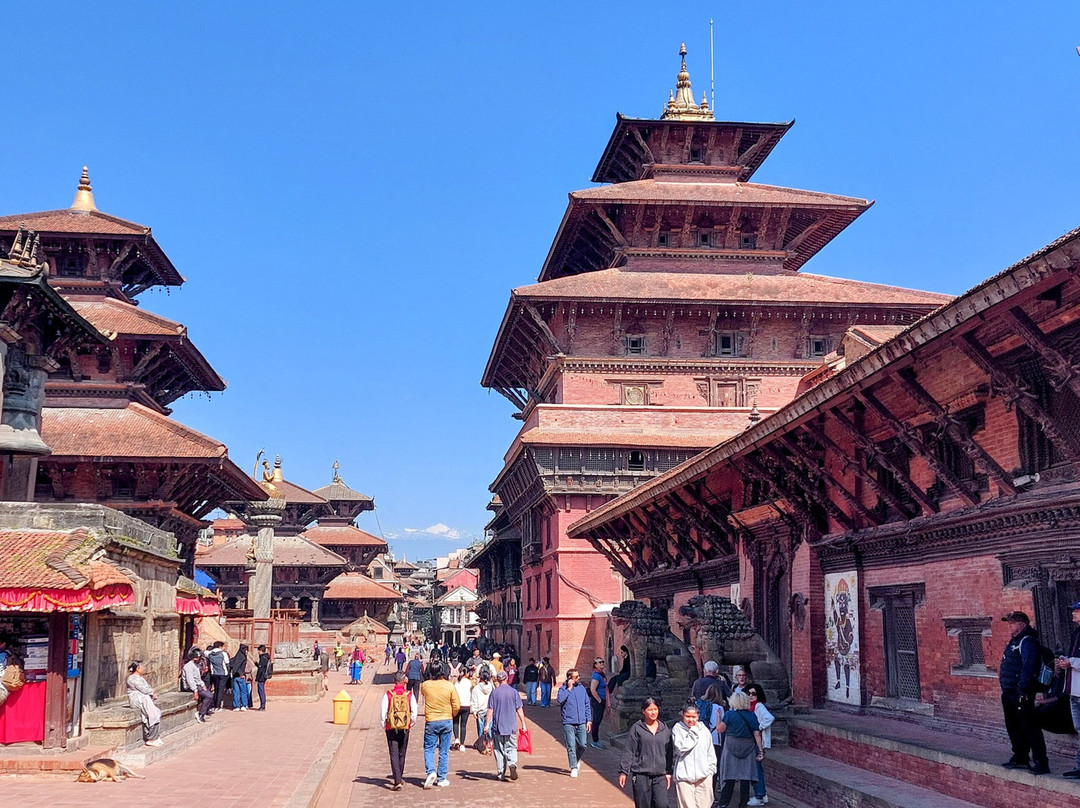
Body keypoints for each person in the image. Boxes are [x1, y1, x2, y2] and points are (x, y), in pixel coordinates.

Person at [1000, 610, 1050, 775]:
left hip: (1021, 692)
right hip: (1009, 691)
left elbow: (1028, 667)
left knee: (1029, 726)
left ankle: (1041, 762)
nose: (1010, 626)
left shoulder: (1027, 641)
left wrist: (1022, 688)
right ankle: (1020, 756)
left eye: (1012, 623)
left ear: (1022, 624)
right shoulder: (1014, 641)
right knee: (1013, 725)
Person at [620, 697, 673, 808]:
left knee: (662, 804)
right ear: (643, 711)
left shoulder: (664, 729)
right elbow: (629, 750)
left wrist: (668, 772)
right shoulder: (637, 728)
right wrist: (624, 771)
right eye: (650, 710)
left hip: (660, 775)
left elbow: (669, 752)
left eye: (655, 709)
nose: (653, 712)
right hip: (641, 774)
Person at [715, 692, 763, 808]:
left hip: (731, 745)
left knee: (729, 776)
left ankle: (724, 803)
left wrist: (718, 718)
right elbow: (757, 735)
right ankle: (743, 804)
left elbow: (719, 730)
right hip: (748, 746)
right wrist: (761, 751)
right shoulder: (752, 715)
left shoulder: (730, 715)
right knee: (745, 777)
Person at [420, 659, 459, 789]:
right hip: (446, 719)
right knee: (444, 750)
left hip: (431, 720)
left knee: (429, 748)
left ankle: (431, 771)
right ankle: (442, 778)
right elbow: (456, 705)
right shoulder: (449, 686)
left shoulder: (425, 685)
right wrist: (452, 715)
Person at [672, 701, 716, 808]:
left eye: (693, 716)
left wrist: (711, 771)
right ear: (683, 715)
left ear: (698, 716)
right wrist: (693, 732)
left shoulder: (704, 730)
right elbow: (681, 748)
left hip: (704, 777)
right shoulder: (677, 729)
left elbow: (710, 752)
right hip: (684, 777)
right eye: (688, 716)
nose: (691, 720)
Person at [486, 669, 527, 781]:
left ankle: (500, 772)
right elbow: (519, 708)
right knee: (511, 747)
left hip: (498, 726)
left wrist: (486, 724)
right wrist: (523, 723)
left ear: (498, 680)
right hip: (511, 726)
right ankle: (512, 763)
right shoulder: (514, 692)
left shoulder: (494, 693)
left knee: (499, 750)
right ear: (507, 679)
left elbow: (490, 709)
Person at [382, 671, 418, 791]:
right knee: (402, 753)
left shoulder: (388, 694)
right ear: (404, 681)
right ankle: (399, 776)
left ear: (394, 681)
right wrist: (410, 724)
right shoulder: (409, 694)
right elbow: (414, 712)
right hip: (405, 727)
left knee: (393, 753)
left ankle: (397, 780)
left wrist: (385, 725)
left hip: (391, 727)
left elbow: (383, 712)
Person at [557, 668, 592, 777]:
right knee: (571, 745)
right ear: (570, 678)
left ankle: (576, 759)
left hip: (581, 721)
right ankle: (573, 767)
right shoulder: (563, 689)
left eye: (578, 676)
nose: (578, 678)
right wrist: (568, 689)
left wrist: (588, 720)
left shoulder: (582, 689)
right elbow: (560, 699)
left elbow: (587, 704)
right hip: (568, 722)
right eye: (576, 677)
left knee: (583, 744)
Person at [745, 684, 774, 806]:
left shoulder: (759, 706)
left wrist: (758, 728)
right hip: (752, 741)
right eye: (749, 693)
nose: (751, 696)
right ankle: (762, 794)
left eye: (754, 694)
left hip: (758, 742)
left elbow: (769, 718)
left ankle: (760, 795)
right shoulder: (749, 706)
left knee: (756, 769)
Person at [126, 661, 163, 747]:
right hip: (138, 699)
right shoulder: (132, 678)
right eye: (142, 667)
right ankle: (151, 738)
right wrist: (152, 692)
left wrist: (152, 693)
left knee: (156, 713)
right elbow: (144, 689)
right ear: (137, 668)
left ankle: (155, 736)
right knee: (153, 714)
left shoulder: (139, 677)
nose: (144, 669)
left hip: (144, 698)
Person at [182, 649, 214, 723]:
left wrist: (203, 685)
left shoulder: (195, 665)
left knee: (209, 693)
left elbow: (197, 678)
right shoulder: (188, 666)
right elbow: (190, 680)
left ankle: (201, 711)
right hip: (190, 687)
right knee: (209, 696)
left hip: (198, 685)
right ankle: (201, 714)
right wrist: (195, 690)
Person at [471, 666, 495, 742]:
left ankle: (482, 743)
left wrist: (474, 711)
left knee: (481, 730)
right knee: (489, 728)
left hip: (480, 710)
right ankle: (489, 743)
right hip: (489, 710)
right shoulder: (491, 687)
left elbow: (474, 700)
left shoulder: (476, 688)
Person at [589, 657, 608, 748]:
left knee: (598, 720)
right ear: (595, 665)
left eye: (602, 662)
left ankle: (596, 740)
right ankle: (595, 741)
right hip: (598, 701)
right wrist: (599, 700)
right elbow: (593, 689)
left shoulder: (601, 674)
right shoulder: (596, 675)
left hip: (601, 700)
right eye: (599, 662)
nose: (602, 664)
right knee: (596, 721)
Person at [452, 669, 473, 750]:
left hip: (457, 704)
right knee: (463, 725)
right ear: (466, 673)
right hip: (466, 705)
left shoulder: (457, 682)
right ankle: (462, 744)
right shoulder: (469, 682)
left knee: (455, 722)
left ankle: (456, 738)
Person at [206, 641, 230, 711]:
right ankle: (218, 706)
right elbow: (227, 663)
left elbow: (204, 652)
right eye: (223, 647)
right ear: (220, 647)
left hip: (214, 673)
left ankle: (214, 705)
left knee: (216, 689)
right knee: (220, 690)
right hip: (223, 673)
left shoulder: (209, 654)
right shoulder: (223, 654)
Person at [230, 643, 252, 711]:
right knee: (243, 691)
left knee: (236, 692)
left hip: (235, 676)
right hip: (240, 676)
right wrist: (241, 673)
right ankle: (243, 705)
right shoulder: (242, 657)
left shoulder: (236, 657)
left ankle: (236, 706)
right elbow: (239, 666)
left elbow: (233, 665)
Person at [254, 645, 272, 710]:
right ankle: (262, 705)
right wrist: (256, 663)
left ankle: (262, 706)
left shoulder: (263, 658)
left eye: (258, 651)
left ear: (261, 651)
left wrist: (257, 678)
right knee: (261, 691)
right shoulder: (266, 657)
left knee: (261, 691)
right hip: (264, 676)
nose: (258, 652)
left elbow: (260, 669)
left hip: (261, 677)